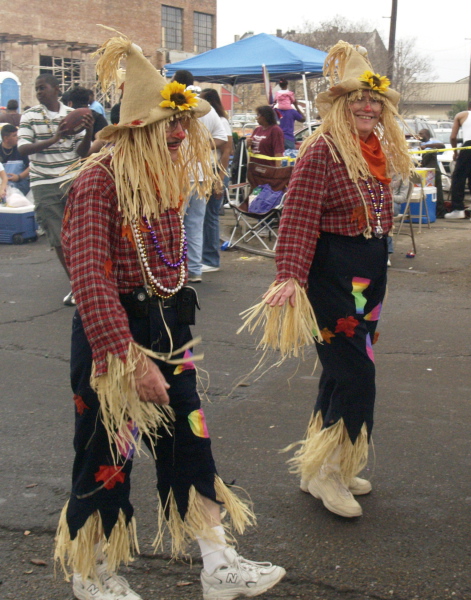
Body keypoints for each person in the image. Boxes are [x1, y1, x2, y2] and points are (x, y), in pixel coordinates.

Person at [56, 34, 285, 600]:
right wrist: (129, 361)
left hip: (168, 328)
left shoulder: (167, 174)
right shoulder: (99, 180)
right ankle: (95, 572)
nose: (180, 134)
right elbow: (89, 280)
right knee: (108, 449)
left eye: (182, 125)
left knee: (191, 440)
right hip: (115, 341)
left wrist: (167, 336)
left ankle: (218, 564)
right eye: (167, 126)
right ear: (137, 129)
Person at [258, 42, 412, 518]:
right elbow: (299, 219)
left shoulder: (377, 149)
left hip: (370, 271)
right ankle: (329, 473)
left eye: (373, 101)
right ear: (341, 106)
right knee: (355, 374)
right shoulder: (321, 148)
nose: (367, 107)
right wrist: (288, 277)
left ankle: (319, 466)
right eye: (356, 100)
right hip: (332, 273)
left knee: (341, 370)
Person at [17, 73, 93, 305]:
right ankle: (77, 286)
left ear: (57, 89)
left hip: (71, 178)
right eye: (37, 88)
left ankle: (89, 281)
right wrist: (54, 138)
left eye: (43, 87)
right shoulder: (30, 116)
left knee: (80, 234)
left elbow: (81, 153)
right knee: (59, 237)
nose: (39, 92)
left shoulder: (71, 116)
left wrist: (88, 131)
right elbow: (23, 149)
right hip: (43, 182)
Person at [171, 70, 228, 283]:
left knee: (175, 222)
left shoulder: (171, 107)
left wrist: (195, 147)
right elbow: (221, 139)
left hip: (179, 174)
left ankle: (179, 269)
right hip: (201, 175)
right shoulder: (208, 110)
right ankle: (194, 269)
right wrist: (201, 148)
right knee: (195, 224)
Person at [198, 88, 233, 274]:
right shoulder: (216, 120)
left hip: (216, 172)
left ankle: (211, 258)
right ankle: (206, 256)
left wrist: (220, 178)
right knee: (204, 217)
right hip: (209, 170)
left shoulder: (220, 121)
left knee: (210, 216)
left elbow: (227, 150)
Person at [417, 128, 446, 216]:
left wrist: (426, 146)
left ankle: (439, 211)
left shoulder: (432, 143)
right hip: (420, 170)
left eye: (422, 134)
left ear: (428, 135)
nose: (420, 136)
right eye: (419, 134)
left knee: (437, 191)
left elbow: (442, 146)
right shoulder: (416, 143)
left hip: (432, 170)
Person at [0, 124, 30, 196]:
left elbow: (32, 166)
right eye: (14, 135)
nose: (18, 137)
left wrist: (19, 177)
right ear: (6, 138)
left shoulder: (21, 149)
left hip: (21, 189)